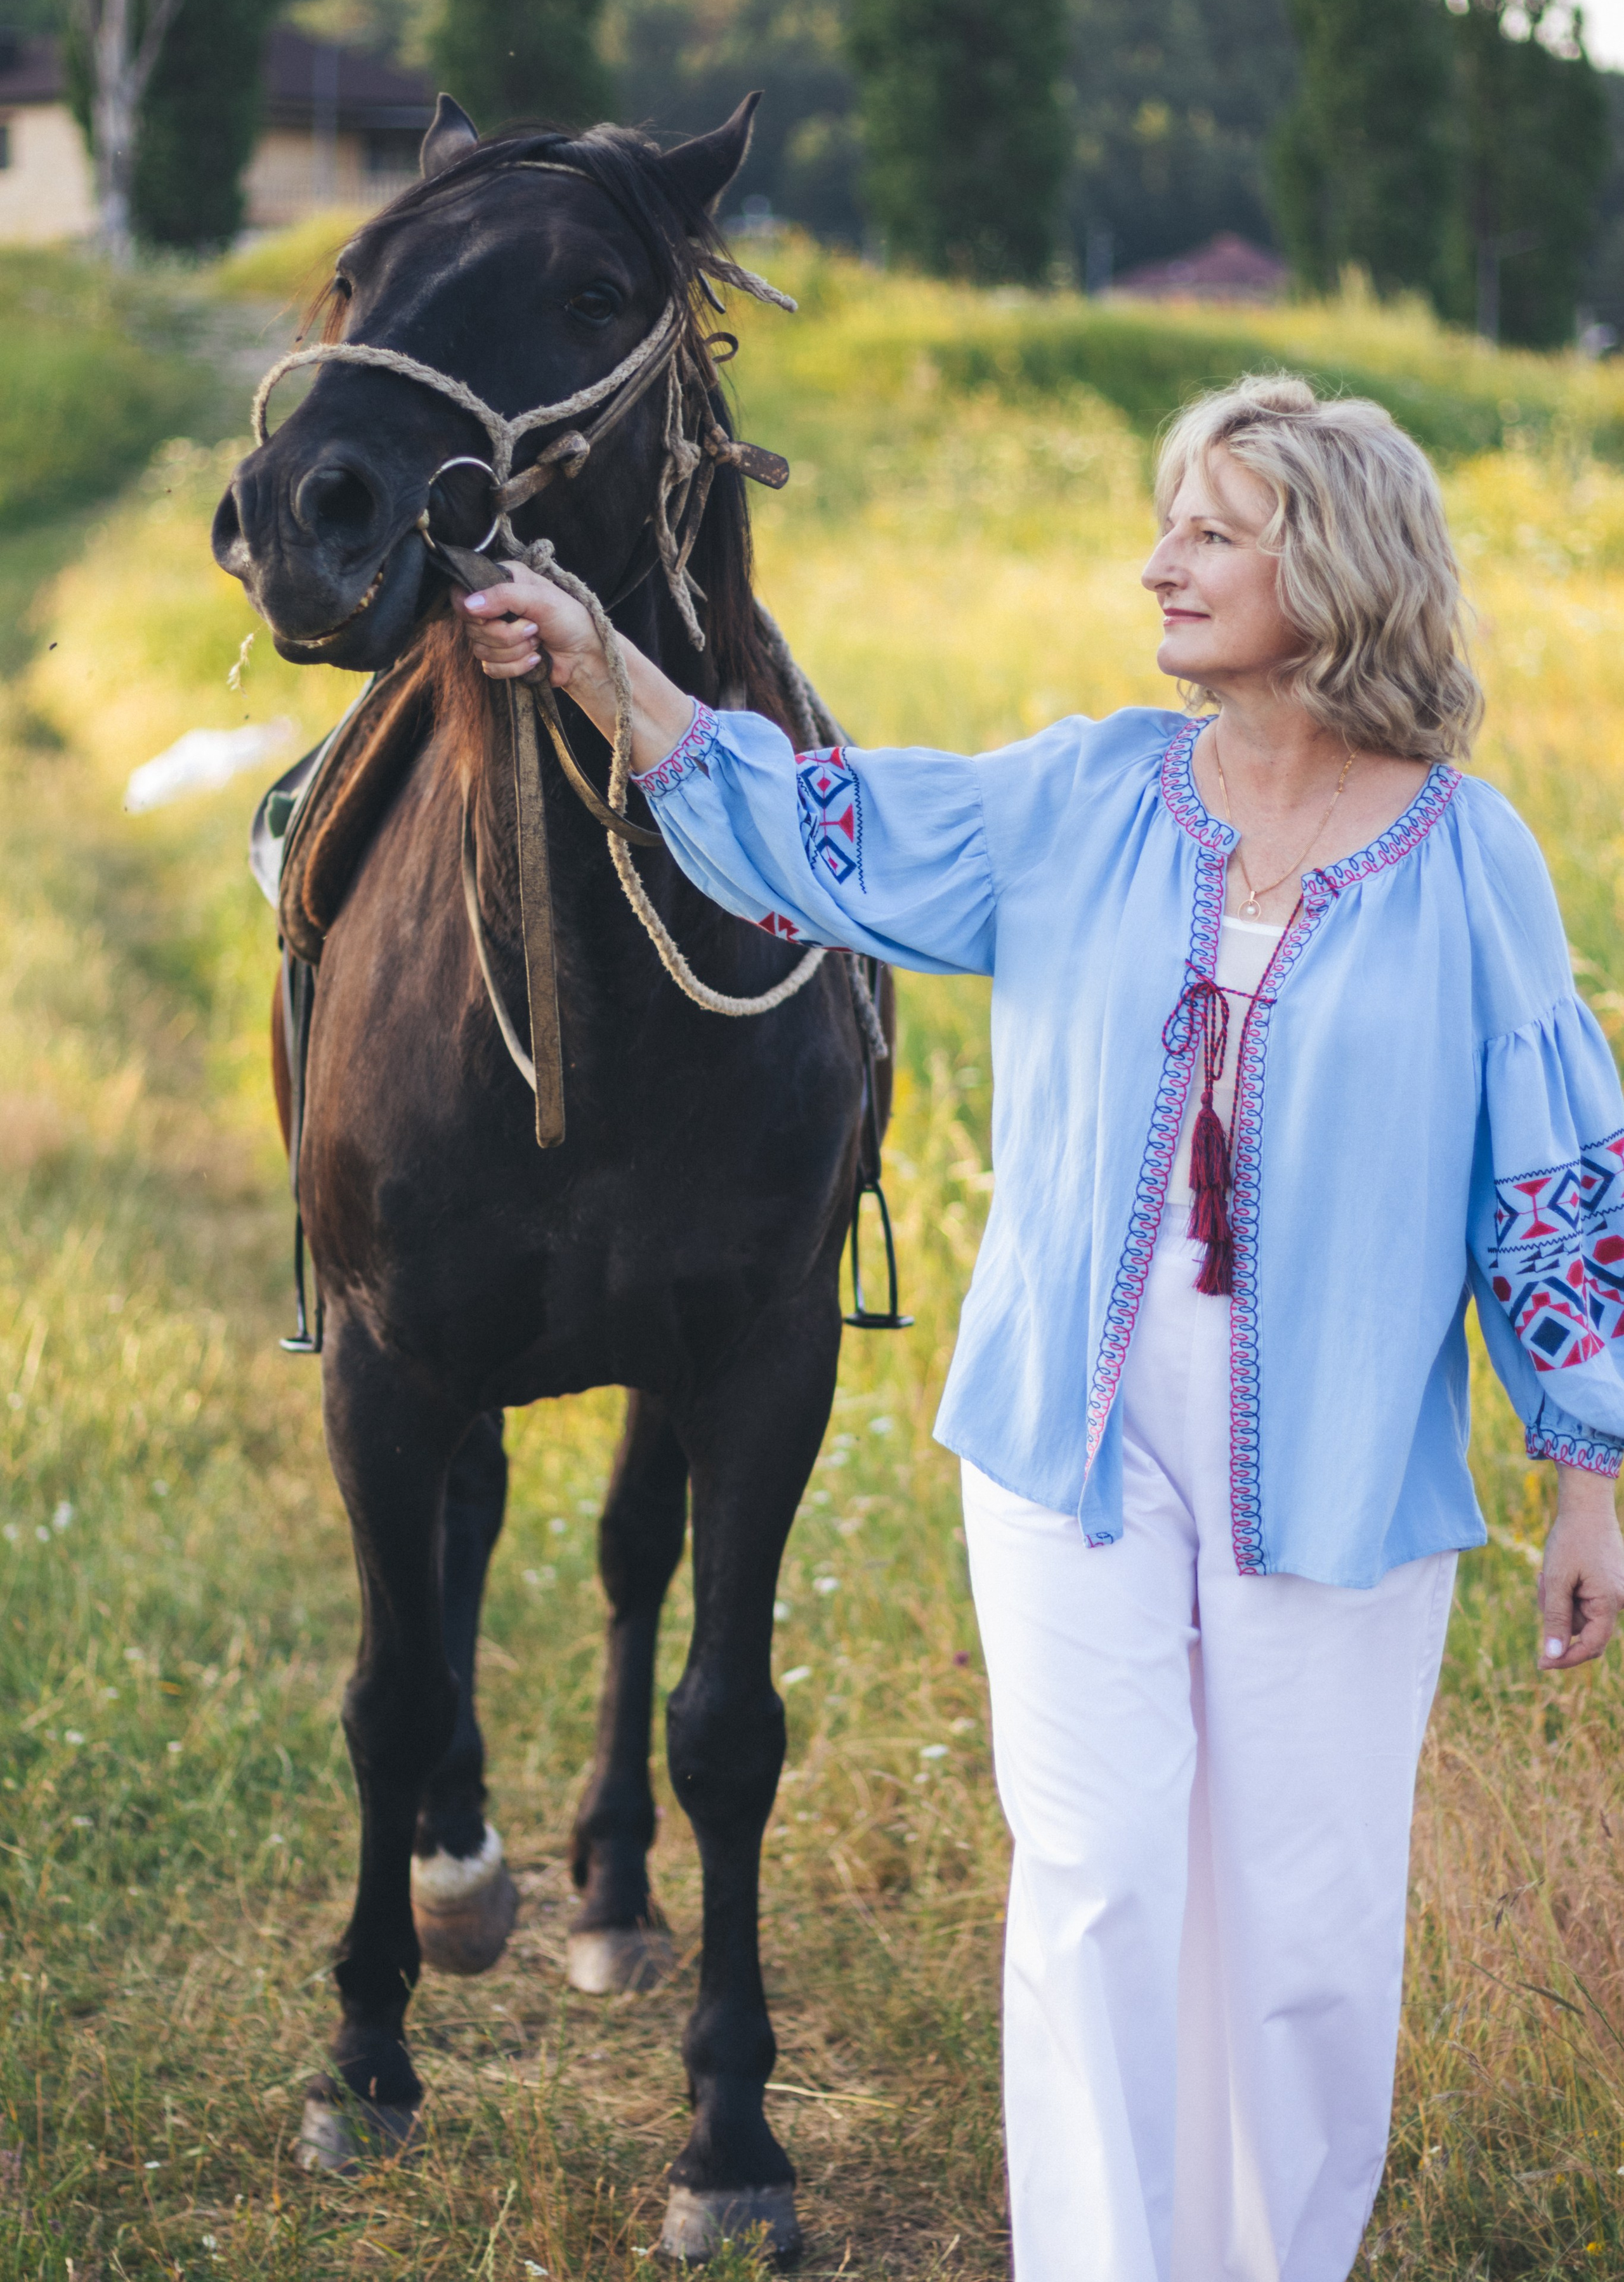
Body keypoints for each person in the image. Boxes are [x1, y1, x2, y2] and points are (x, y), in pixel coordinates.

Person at [457, 374, 1624, 2282]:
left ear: (1328, 571)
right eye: (1169, 522)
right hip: (1073, 1441)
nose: (1158, 562)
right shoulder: (1092, 792)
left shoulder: (1468, 858)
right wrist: (599, 666)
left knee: (1302, 1924)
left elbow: (1556, 1174)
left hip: (1334, 1459)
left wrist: (1584, 1472)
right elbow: (824, 831)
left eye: (1212, 531)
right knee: (1097, 1885)